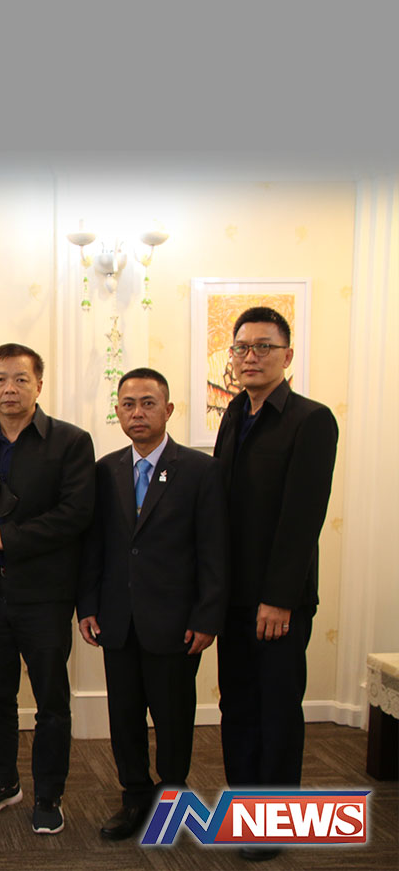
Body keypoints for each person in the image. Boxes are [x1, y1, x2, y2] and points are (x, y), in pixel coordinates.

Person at [78, 368, 229, 841]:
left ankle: (172, 798)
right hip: (117, 620)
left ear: (169, 410)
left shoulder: (201, 470)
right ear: (118, 412)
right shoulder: (105, 470)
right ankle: (134, 798)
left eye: (148, 403)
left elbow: (215, 551)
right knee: (124, 718)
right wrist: (87, 606)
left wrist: (208, 616)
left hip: (176, 623)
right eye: (128, 404)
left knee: (173, 718)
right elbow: (94, 546)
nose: (137, 412)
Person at [213, 307, 338, 862]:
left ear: (287, 355)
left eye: (264, 347)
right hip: (233, 596)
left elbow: (303, 517)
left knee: (277, 709)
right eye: (242, 348)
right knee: (237, 704)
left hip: (277, 601)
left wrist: (279, 598)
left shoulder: (311, 420)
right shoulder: (234, 413)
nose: (251, 357)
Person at [0, 343, 94, 835]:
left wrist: (6, 536)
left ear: (39, 384)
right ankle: (1, 783)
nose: (9, 388)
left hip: (44, 598)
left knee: (51, 703)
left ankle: (49, 795)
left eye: (20, 379)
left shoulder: (71, 442)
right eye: (0, 379)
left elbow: (75, 515)